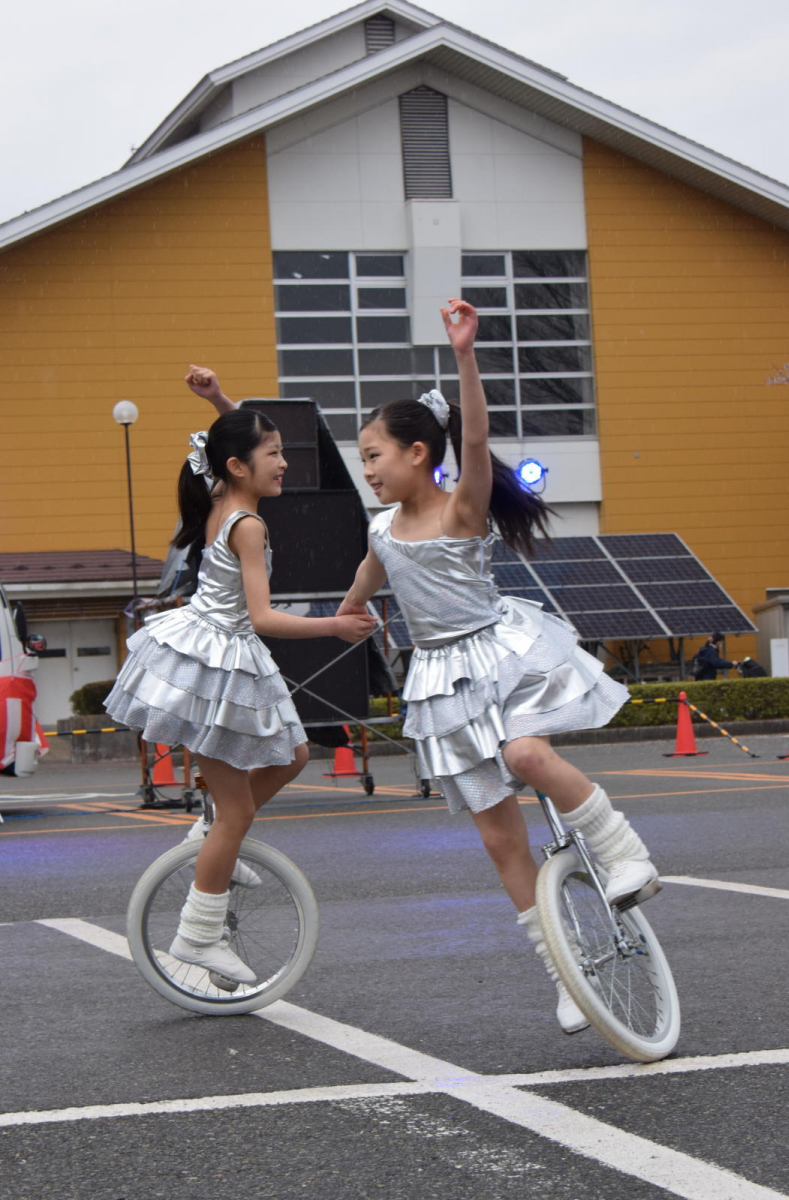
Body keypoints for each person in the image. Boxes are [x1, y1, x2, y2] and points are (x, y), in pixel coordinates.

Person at [338, 299, 659, 1035]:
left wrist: (465, 357)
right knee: (496, 837)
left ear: (417, 452)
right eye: (362, 459)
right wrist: (345, 612)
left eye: (374, 455)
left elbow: (474, 438)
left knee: (526, 752)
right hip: (438, 680)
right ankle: (564, 968)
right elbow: (372, 569)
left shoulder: (460, 509)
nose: (368, 470)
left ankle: (623, 854)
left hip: (499, 657)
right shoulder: (382, 524)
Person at [105, 377, 375, 984]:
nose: (283, 462)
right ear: (238, 465)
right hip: (217, 658)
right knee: (238, 813)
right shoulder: (247, 524)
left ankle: (211, 836)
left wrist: (221, 403)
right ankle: (198, 934)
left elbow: (231, 446)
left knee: (297, 753)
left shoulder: (220, 495)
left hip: (203, 652)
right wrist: (335, 623)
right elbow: (262, 617)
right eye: (274, 454)